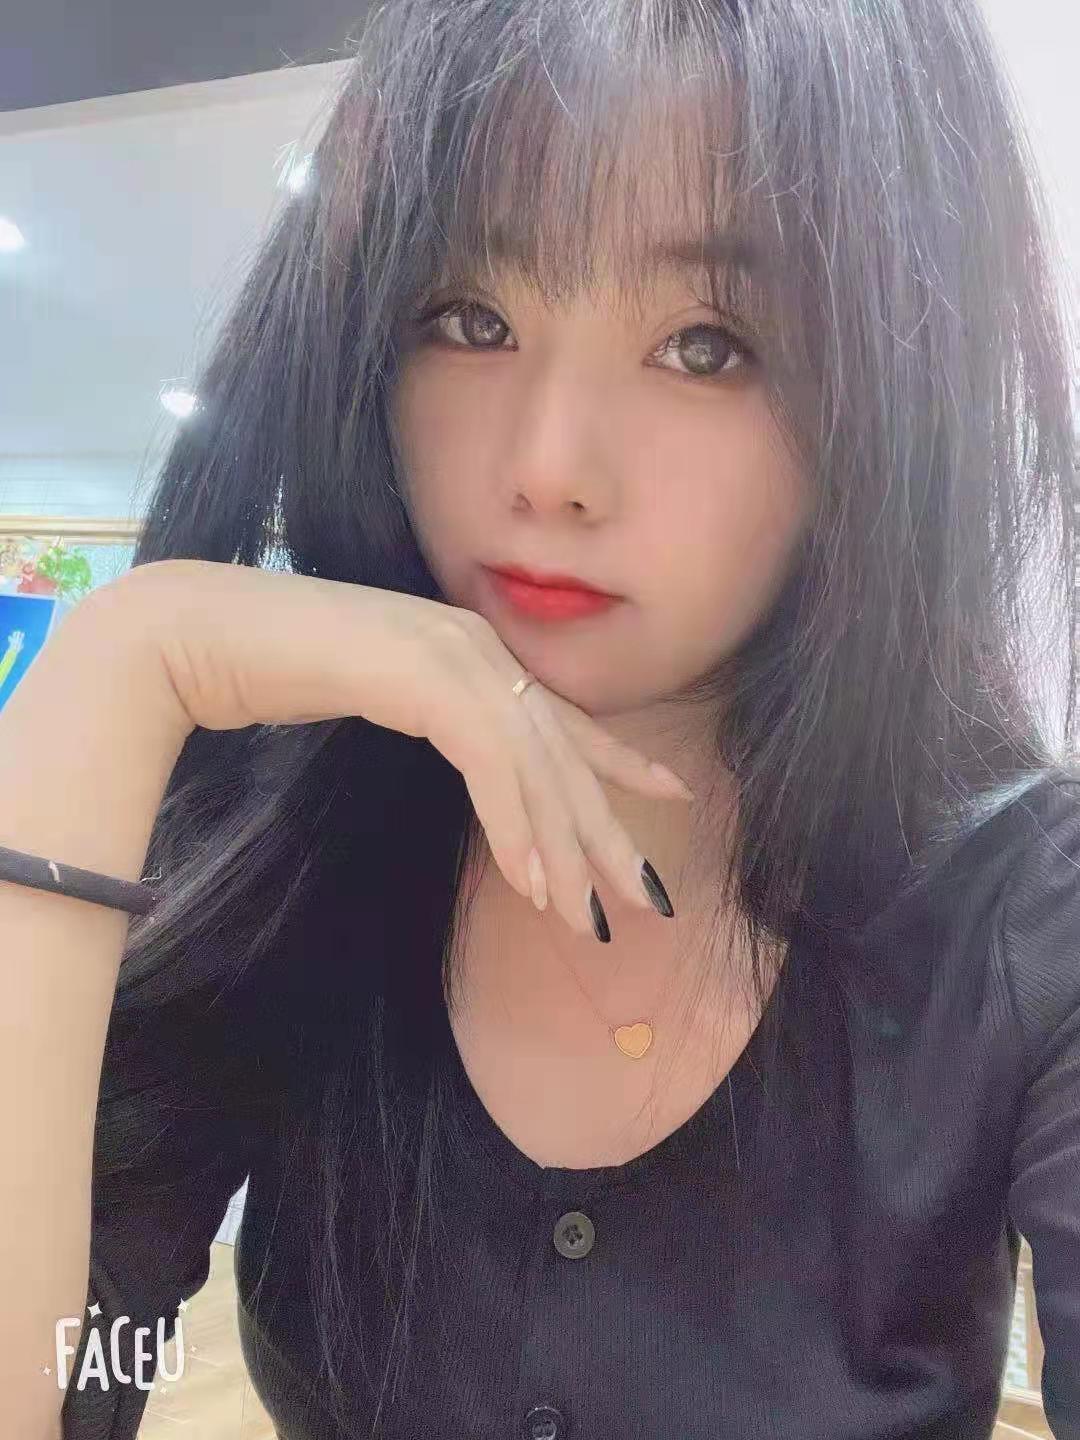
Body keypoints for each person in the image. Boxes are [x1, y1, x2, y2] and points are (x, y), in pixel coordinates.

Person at [2, 0, 1078, 1436]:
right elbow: (51, 1382)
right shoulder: (299, 845)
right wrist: (121, 660)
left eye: (707, 344)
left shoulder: (1025, 917)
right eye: (474, 320)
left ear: (891, 394)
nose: (549, 467)